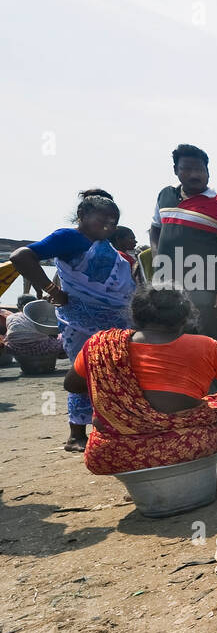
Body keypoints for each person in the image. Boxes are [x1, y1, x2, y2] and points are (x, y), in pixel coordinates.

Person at [63, 285, 217, 476]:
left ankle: (148, 483)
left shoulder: (101, 345)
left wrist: (119, 398)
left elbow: (72, 384)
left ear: (135, 316)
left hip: (110, 454)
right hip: (184, 446)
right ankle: (215, 474)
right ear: (185, 317)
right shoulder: (204, 346)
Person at [8, 190, 136, 451]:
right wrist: (51, 290)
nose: (109, 226)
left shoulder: (110, 249)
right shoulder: (68, 237)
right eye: (104, 219)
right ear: (82, 215)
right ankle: (76, 434)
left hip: (114, 319)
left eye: (113, 222)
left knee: (114, 373)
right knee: (83, 372)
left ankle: (111, 428)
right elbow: (21, 256)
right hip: (79, 321)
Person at [149, 144, 217, 342]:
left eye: (200, 169)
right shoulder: (165, 196)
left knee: (208, 342)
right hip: (167, 287)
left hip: (206, 289)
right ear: (176, 170)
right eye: (187, 169)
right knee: (170, 340)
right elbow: (155, 228)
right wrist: (158, 257)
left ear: (208, 172)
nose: (194, 175)